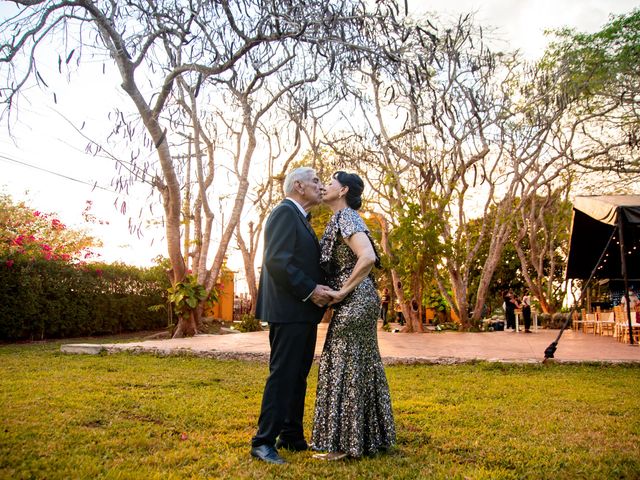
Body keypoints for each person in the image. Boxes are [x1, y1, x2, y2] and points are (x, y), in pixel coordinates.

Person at [250, 167, 333, 465]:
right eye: (315, 181)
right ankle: (262, 442)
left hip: (302, 312)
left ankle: (291, 436)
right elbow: (277, 261)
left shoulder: (301, 217)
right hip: (289, 310)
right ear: (298, 185)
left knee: (298, 376)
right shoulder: (284, 212)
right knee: (283, 375)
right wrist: (311, 290)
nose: (320, 186)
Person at [310, 171, 396, 460]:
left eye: (331, 183)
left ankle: (345, 444)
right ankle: (364, 438)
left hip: (356, 301)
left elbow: (368, 257)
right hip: (358, 301)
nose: (324, 187)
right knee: (358, 364)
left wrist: (342, 292)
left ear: (343, 189)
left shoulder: (347, 217)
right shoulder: (339, 219)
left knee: (343, 364)